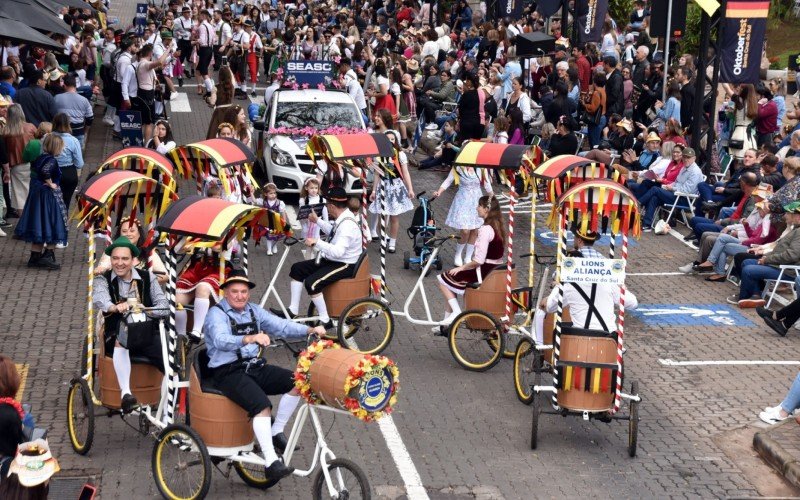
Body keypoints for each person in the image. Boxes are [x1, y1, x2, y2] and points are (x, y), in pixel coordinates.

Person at [204, 269, 326, 482]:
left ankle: (275, 431)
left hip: (254, 366)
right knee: (262, 405)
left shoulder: (253, 310)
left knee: (298, 381)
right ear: (225, 292)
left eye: (244, 291)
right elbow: (220, 340)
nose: (240, 296)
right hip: (228, 372)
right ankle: (271, 462)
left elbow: (281, 326)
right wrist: (250, 338)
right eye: (235, 291)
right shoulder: (217, 314)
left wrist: (309, 330)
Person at [92, 236, 169, 412]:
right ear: (111, 260)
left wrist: (145, 309)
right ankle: (126, 394)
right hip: (117, 334)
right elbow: (100, 299)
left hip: (147, 333)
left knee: (171, 366)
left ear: (133, 260)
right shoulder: (102, 280)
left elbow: (164, 307)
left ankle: (166, 412)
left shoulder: (147, 277)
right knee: (122, 338)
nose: (120, 263)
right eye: (115, 258)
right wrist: (115, 307)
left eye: (124, 258)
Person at [272, 187, 362, 327]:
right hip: (334, 260)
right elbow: (333, 232)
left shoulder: (348, 225)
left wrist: (317, 242)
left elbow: (338, 252)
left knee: (312, 283)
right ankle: (292, 310)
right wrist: (317, 221)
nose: (326, 207)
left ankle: (325, 320)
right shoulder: (343, 217)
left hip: (344, 264)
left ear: (332, 206)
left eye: (327, 205)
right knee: (297, 269)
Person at [539, 229, 639, 334]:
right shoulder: (608, 275)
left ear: (579, 240)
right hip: (608, 337)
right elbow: (633, 303)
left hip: (580, 337)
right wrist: (621, 287)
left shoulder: (568, 281)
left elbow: (550, 307)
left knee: (557, 331)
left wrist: (555, 288)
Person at [436, 194, 505, 327]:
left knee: (443, 280)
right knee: (451, 283)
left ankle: (456, 312)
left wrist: (461, 267)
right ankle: (445, 326)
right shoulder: (498, 227)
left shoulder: (486, 230)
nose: (477, 208)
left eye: (479, 205)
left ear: (486, 209)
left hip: (483, 271)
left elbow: (478, 260)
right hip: (492, 270)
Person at [728, 201, 800, 308]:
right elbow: (781, 249)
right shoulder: (795, 229)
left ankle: (745, 297)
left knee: (749, 269)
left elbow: (792, 255)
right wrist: (767, 256)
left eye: (788, 213)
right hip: (779, 265)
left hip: (786, 271)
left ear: (797, 217)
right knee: (746, 262)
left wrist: (767, 259)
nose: (785, 215)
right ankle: (755, 295)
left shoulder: (798, 232)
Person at [14, 134, 69, 270]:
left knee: (39, 223)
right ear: (56, 147)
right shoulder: (51, 160)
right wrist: (51, 184)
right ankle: (47, 256)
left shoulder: (40, 157)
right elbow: (45, 172)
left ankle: (35, 257)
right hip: (47, 196)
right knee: (52, 223)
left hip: (37, 194)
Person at [432, 161, 492, 266]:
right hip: (462, 200)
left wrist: (492, 198)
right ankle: (458, 254)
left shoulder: (481, 168)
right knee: (465, 230)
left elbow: (487, 184)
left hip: (477, 200)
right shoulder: (458, 167)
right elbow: (448, 180)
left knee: (475, 230)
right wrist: (439, 191)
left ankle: (468, 257)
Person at [368, 130, 415, 253]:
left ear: (396, 141)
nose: (390, 141)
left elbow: (405, 173)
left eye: (392, 139)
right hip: (383, 187)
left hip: (396, 188)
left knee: (394, 217)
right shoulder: (379, 156)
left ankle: (392, 242)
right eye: (387, 139)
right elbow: (377, 175)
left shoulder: (400, 155)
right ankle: (383, 240)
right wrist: (373, 191)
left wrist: (410, 189)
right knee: (382, 216)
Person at [640, 147, 704, 228]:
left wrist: (672, 188)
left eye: (688, 157)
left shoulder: (695, 172)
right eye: (684, 157)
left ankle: (638, 204)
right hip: (677, 194)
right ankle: (646, 224)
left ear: (694, 158)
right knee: (654, 197)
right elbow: (677, 182)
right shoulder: (685, 167)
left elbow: (687, 190)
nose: (686, 159)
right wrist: (670, 186)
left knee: (655, 189)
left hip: (685, 198)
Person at [93, 217, 168, 283]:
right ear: (120, 234)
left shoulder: (149, 253)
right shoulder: (112, 251)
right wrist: (100, 270)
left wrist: (145, 280)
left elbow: (165, 276)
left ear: (139, 234)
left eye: (132, 231)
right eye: (124, 231)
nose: (128, 234)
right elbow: (102, 268)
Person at [51, 113, 83, 212]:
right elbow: (80, 164)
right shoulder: (73, 140)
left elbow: (42, 155)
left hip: (51, 172)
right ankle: (63, 223)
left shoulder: (47, 138)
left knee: (51, 202)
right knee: (66, 202)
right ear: (68, 124)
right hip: (68, 173)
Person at [54, 74, 93, 148]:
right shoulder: (84, 100)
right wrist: (85, 131)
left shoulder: (57, 98)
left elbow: (53, 114)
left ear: (64, 86)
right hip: (78, 132)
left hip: (61, 133)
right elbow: (90, 118)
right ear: (75, 86)